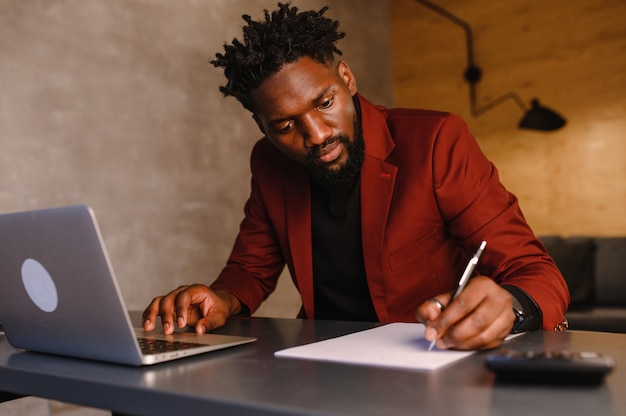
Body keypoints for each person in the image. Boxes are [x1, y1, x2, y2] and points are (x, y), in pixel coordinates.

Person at [143, 3, 569, 350]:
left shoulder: (436, 140)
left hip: (429, 359)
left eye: (324, 102)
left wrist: (510, 306)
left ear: (346, 79)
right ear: (263, 128)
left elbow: (534, 270)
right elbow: (250, 271)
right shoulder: (269, 163)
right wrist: (222, 299)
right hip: (322, 363)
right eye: (285, 126)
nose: (317, 135)